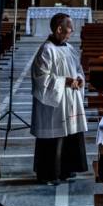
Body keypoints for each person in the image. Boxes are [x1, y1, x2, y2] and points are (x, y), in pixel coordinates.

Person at [30, 13, 88, 184]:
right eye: (70, 26)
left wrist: (79, 78)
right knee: (53, 137)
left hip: (69, 99)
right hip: (53, 103)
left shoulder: (69, 48)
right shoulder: (46, 50)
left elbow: (77, 68)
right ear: (59, 29)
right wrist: (67, 81)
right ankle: (48, 174)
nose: (73, 30)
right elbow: (41, 78)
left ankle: (65, 170)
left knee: (69, 134)